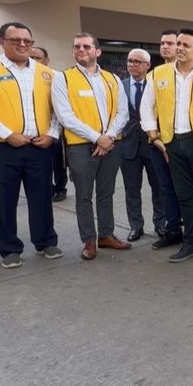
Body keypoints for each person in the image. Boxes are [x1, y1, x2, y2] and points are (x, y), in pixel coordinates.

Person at [0, 22, 63, 269]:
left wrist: (51, 134)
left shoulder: (47, 74)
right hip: (1, 148)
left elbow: (59, 111)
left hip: (39, 147)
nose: (22, 45)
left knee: (41, 197)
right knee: (1, 199)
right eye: (15, 40)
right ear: (2, 42)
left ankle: (45, 241)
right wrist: (7, 134)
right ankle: (9, 249)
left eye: (27, 41)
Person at [141, 27, 193, 265]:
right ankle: (192, 243)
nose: (180, 48)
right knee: (184, 195)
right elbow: (146, 106)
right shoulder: (158, 74)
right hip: (172, 143)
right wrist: (153, 134)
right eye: (178, 44)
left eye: (186, 45)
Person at [51, 32, 130, 261]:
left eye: (86, 46)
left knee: (106, 192)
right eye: (77, 47)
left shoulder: (112, 79)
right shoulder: (63, 78)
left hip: (111, 145)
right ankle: (89, 240)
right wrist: (98, 138)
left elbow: (122, 112)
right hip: (81, 146)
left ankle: (106, 235)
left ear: (98, 51)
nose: (81, 50)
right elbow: (65, 116)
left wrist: (109, 137)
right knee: (84, 195)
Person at [119, 49, 163, 242]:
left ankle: (160, 224)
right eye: (130, 61)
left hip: (152, 143)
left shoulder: (156, 86)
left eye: (137, 62)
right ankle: (136, 226)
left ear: (147, 65)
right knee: (131, 189)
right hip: (128, 146)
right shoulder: (120, 86)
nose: (132, 65)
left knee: (159, 187)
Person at [147, 29, 185, 249]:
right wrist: (155, 138)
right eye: (162, 43)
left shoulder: (192, 75)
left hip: (181, 142)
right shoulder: (155, 74)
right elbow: (147, 109)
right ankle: (172, 230)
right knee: (166, 188)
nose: (166, 47)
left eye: (171, 43)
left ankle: (191, 229)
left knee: (186, 189)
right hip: (157, 142)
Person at [30, 46, 69, 203]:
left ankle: (60, 187)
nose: (33, 61)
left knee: (58, 162)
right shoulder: (22, 78)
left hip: (54, 130)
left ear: (46, 60)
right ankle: (47, 188)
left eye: (37, 58)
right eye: (31, 57)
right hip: (32, 132)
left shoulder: (55, 77)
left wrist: (53, 131)